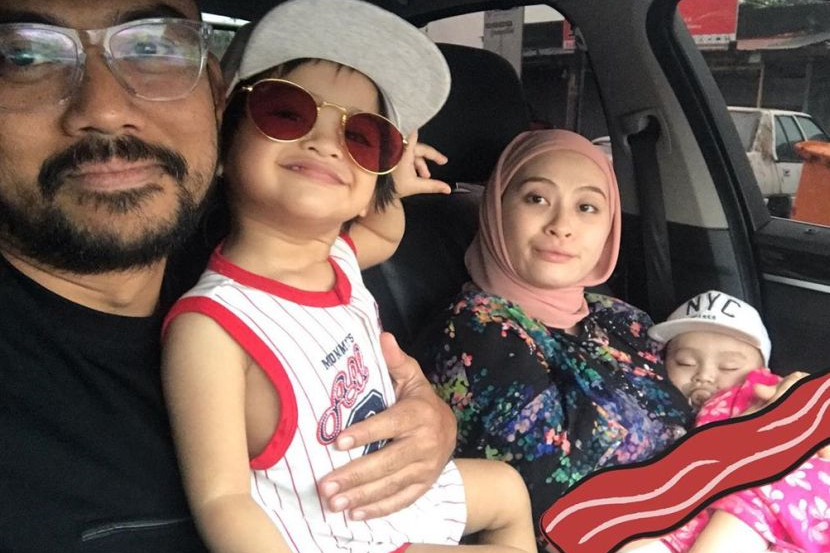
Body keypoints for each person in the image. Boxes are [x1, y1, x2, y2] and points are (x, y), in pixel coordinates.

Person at [0, 1, 457, 551]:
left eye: (153, 47)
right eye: (23, 55)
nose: (104, 109)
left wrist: (424, 426)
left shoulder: (261, 257)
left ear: (215, 102)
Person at [160, 2, 536, 552]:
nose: (327, 142)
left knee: (506, 488)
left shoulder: (336, 259)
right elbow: (223, 501)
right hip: (338, 534)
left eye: (363, 137)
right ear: (221, 144)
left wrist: (390, 179)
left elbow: (384, 230)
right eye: (286, 113)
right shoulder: (213, 327)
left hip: (392, 492)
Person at [415, 129, 693, 551]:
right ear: (496, 208)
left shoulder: (623, 318)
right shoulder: (478, 333)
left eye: (587, 207)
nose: (562, 226)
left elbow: (698, 401)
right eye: (536, 199)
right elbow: (554, 505)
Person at [619, 290, 829, 553]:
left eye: (729, 366)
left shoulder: (762, 391)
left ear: (762, 369)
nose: (704, 376)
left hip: (771, 491)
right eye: (685, 363)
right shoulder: (659, 407)